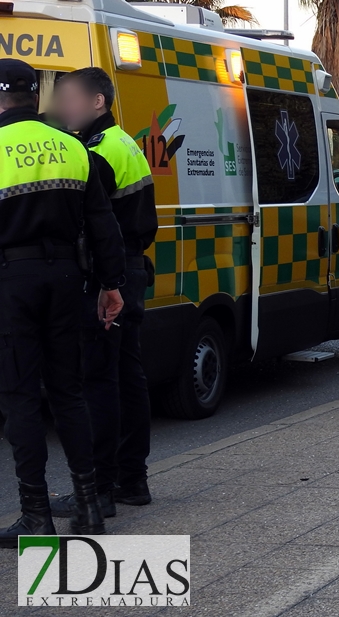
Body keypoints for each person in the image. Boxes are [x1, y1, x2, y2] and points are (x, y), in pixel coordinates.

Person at [0, 59, 126, 547]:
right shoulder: (73, 146)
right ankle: (90, 505)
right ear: (37, 95)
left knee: (20, 398)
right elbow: (102, 225)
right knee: (68, 392)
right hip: (67, 280)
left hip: (12, 280)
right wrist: (110, 285)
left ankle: (36, 515)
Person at [49, 67, 158, 518]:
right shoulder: (123, 142)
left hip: (106, 277)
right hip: (129, 270)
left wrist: (99, 283)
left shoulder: (97, 152)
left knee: (98, 381)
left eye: (71, 99)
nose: (63, 108)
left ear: (98, 102)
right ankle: (132, 479)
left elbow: (92, 225)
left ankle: (99, 488)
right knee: (127, 377)